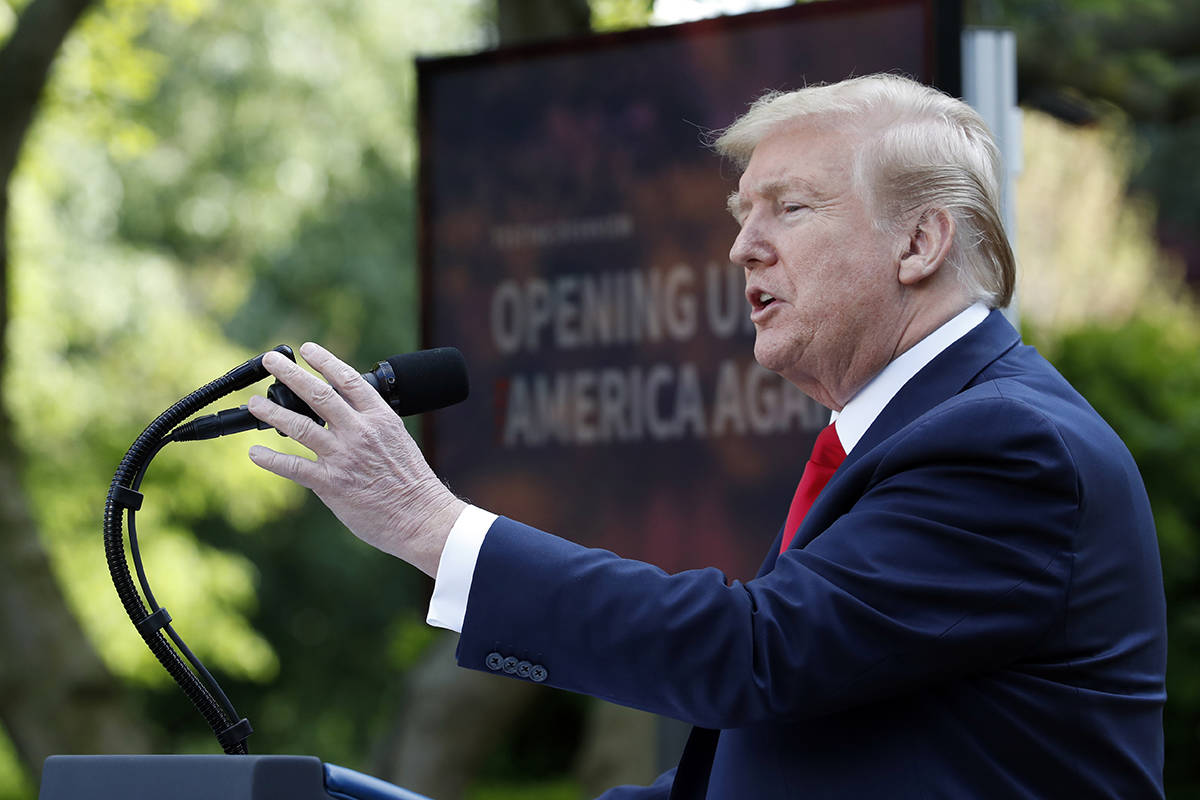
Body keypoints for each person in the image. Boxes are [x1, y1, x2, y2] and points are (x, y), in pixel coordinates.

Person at [246, 74, 1167, 798]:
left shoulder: (1007, 445)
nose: (742, 248)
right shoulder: (911, 432)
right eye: (741, 214)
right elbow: (789, 748)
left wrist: (427, 525)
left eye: (790, 209)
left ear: (920, 243)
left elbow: (752, 659)